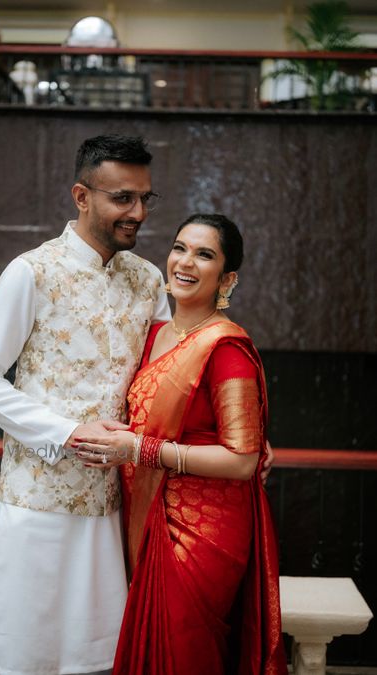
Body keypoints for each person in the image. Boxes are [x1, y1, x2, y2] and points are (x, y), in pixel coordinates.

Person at [0, 135, 172, 675]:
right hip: (36, 499)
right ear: (82, 196)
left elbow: (173, 378)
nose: (138, 212)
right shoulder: (31, 271)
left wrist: (238, 432)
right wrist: (66, 433)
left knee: (101, 659)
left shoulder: (148, 280)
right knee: (27, 660)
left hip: (114, 506)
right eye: (122, 198)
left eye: (145, 199)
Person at [75, 213, 288, 674]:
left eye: (204, 254)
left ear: (226, 279)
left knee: (184, 652)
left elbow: (243, 460)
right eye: (180, 248)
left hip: (202, 533)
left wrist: (140, 450)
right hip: (148, 514)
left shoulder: (226, 349)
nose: (186, 262)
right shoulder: (156, 334)